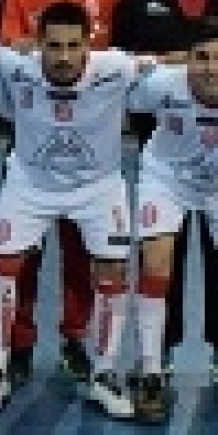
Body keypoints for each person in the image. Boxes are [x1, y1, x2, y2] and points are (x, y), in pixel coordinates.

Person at [0, 1, 144, 419]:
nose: (64, 56)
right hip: (30, 185)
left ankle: (104, 373)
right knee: (2, 267)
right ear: (39, 45)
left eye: (73, 45)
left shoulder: (116, 68)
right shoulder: (18, 66)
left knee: (112, 271)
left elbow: (169, 66)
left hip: (98, 187)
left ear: (89, 44)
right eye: (54, 46)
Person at [0, 0, 134, 383]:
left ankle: (76, 337)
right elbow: (11, 52)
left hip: (92, 143)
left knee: (83, 255)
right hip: (35, 139)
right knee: (22, 257)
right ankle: (18, 343)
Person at [112, 0, 218, 377]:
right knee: (159, 259)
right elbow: (121, 66)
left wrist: (173, 62)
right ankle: (160, 356)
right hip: (165, 156)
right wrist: (176, 65)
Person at [127, 24, 218, 422]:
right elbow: (113, 83)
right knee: (156, 261)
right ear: (187, 61)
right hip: (166, 179)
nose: (211, 68)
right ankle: (152, 367)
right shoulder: (163, 84)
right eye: (202, 58)